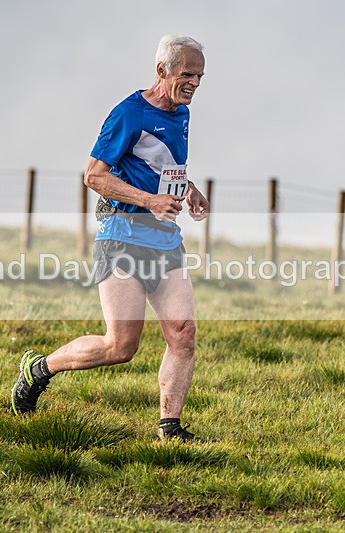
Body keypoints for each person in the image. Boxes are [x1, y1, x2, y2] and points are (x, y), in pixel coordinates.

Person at [11, 35, 212, 443]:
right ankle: (39, 369)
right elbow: (94, 176)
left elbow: (160, 162)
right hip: (121, 236)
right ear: (162, 71)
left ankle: (169, 428)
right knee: (121, 346)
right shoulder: (128, 114)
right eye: (187, 75)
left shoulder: (181, 112)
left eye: (200, 76)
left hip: (165, 240)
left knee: (183, 333)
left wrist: (186, 188)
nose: (194, 83)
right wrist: (149, 200)